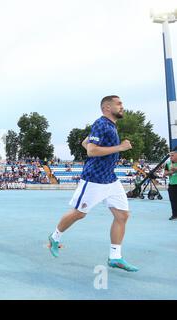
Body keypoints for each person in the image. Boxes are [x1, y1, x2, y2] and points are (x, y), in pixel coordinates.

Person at [48, 95, 139, 272]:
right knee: (79, 213)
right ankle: (55, 237)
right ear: (106, 107)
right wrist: (120, 148)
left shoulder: (110, 125)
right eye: (118, 104)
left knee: (122, 215)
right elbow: (91, 150)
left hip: (110, 179)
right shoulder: (101, 123)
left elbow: (85, 143)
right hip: (95, 179)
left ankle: (115, 257)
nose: (122, 107)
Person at [164, 151, 177, 221]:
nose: (171, 157)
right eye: (170, 156)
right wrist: (171, 172)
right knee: (173, 201)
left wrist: (176, 169)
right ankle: (174, 215)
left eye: (172, 155)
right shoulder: (168, 164)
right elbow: (165, 173)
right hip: (172, 185)